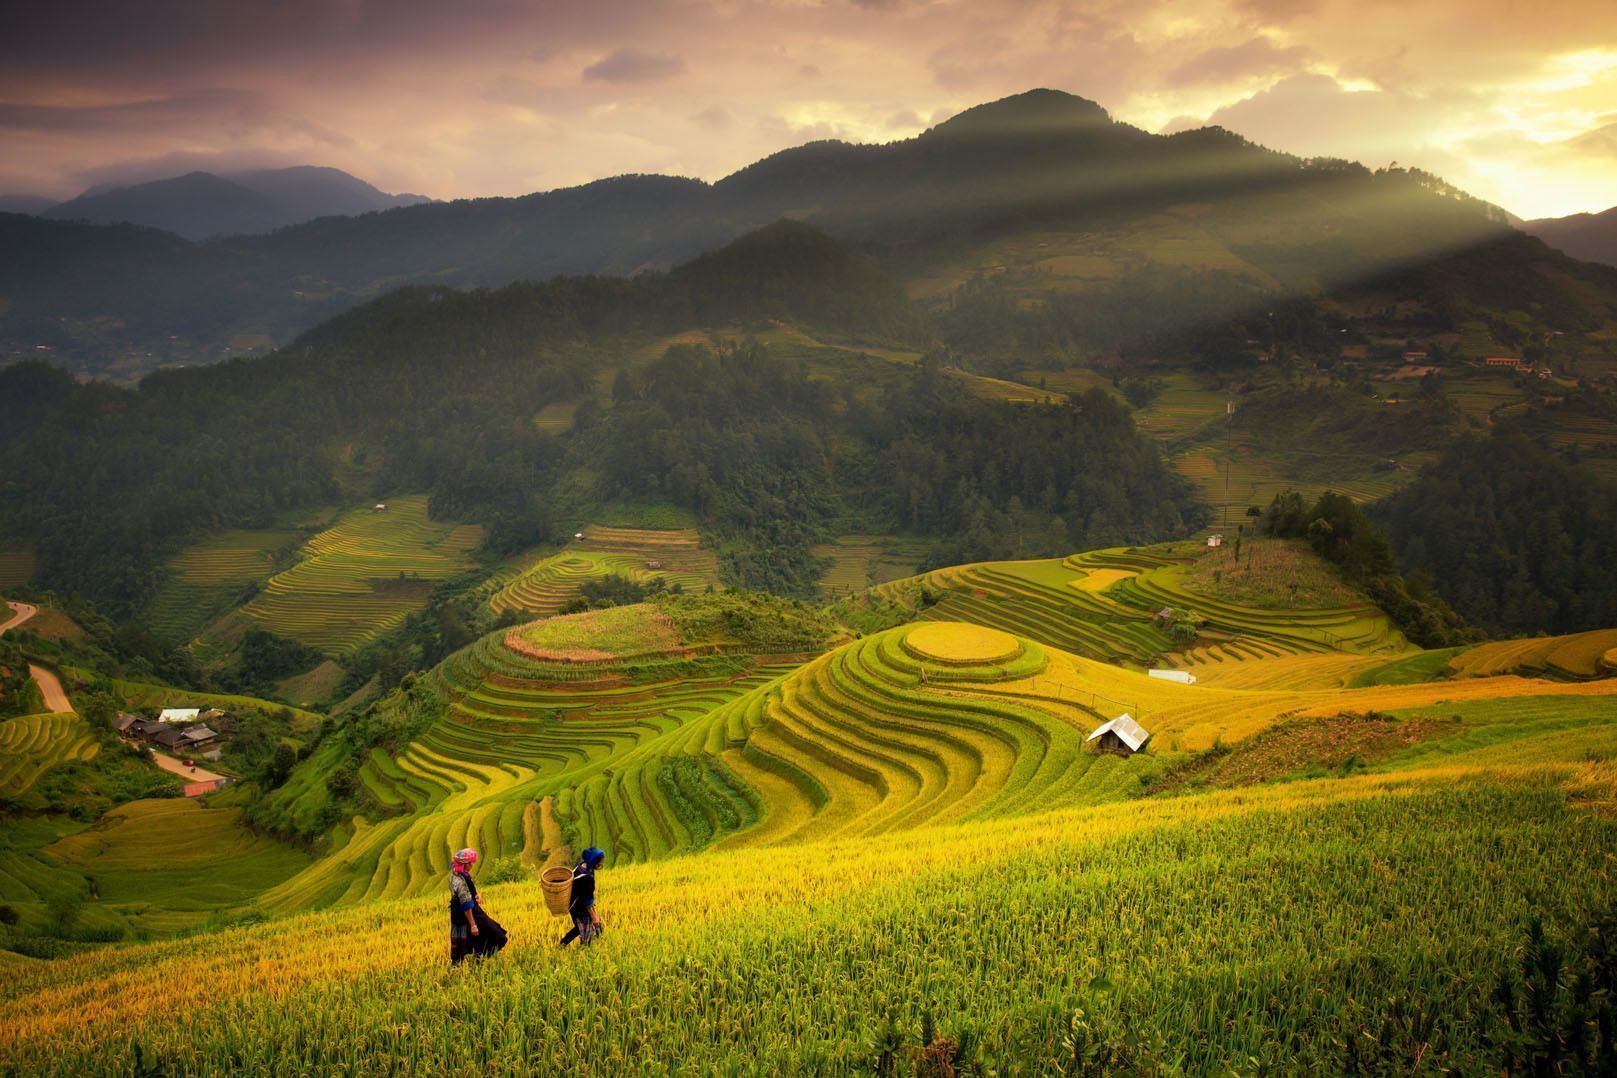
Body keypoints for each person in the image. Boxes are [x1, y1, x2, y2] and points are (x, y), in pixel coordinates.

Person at [448, 848, 507, 965]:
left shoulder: (456, 874)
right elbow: (466, 904)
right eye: (471, 863)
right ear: (466, 864)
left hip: (460, 912)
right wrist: (473, 924)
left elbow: (468, 893)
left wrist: (477, 895)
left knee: (477, 937)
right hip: (468, 913)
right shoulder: (460, 881)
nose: (472, 865)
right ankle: (478, 960)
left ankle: (478, 961)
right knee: (496, 934)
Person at [558, 846, 606, 947]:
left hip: (573, 904)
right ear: (593, 862)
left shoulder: (582, 866)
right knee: (585, 928)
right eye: (600, 863)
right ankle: (585, 948)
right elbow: (586, 900)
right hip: (579, 906)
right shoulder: (586, 878)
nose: (601, 864)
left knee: (579, 928)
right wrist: (594, 916)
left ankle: (563, 943)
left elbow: (587, 896)